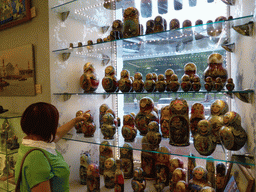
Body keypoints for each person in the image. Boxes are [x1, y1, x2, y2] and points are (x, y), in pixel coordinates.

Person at [15, 102, 88, 192]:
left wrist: (75, 120)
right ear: (47, 126)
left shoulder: (31, 142)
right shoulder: (36, 158)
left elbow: (57, 134)